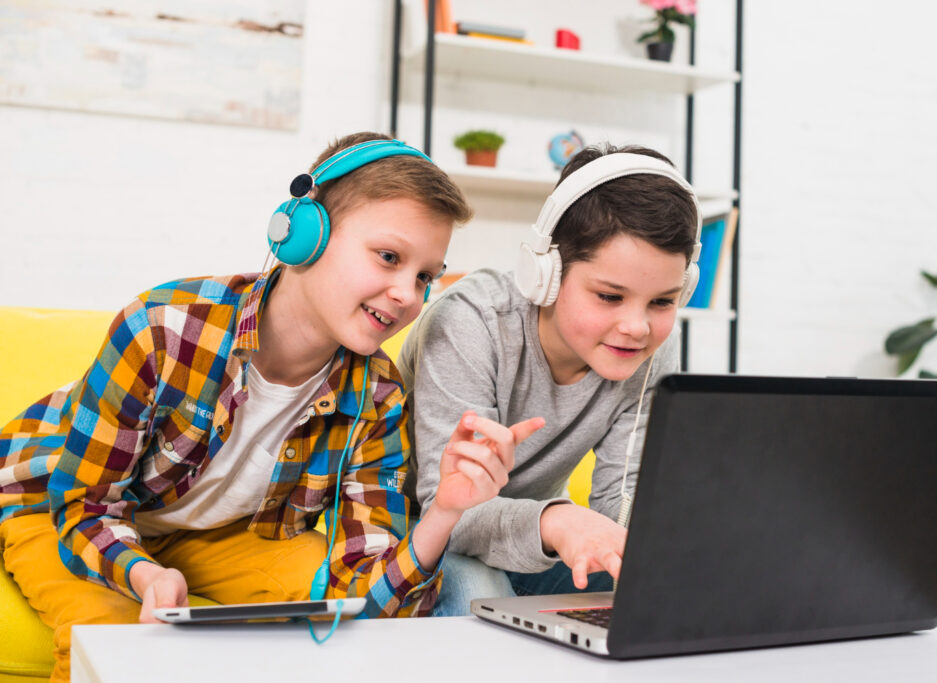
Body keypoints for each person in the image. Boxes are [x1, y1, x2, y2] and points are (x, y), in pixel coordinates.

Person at [0, 131, 543, 682]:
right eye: (388, 257)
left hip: (214, 532)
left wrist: (446, 512)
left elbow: (373, 598)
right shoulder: (162, 329)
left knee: (340, 613)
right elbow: (84, 506)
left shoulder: (379, 397)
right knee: (114, 637)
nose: (408, 293)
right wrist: (141, 572)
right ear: (303, 236)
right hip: (56, 504)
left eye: (426, 275)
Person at [398, 143, 703, 616]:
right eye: (609, 296)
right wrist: (558, 520)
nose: (637, 327)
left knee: (665, 594)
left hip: (531, 536)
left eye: (663, 301)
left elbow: (619, 509)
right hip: (418, 532)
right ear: (546, 274)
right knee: (479, 589)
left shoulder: (649, 350)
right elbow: (453, 514)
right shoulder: (471, 323)